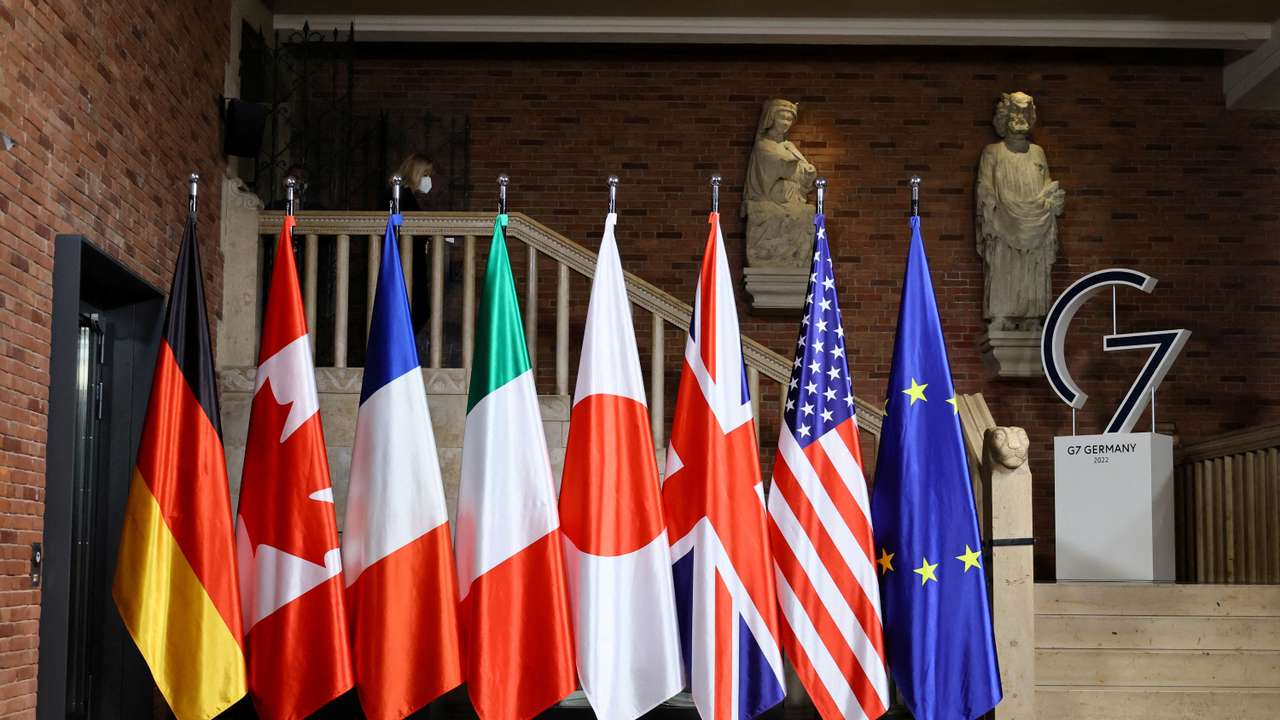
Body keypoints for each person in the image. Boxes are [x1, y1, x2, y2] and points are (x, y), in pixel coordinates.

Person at [742, 99, 817, 268]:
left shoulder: (788, 146)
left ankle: (797, 257)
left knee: (807, 213)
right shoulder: (763, 145)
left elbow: (801, 170)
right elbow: (780, 167)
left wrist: (808, 172)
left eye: (789, 119)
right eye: (781, 118)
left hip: (791, 197)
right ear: (771, 119)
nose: (785, 123)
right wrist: (792, 166)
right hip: (771, 195)